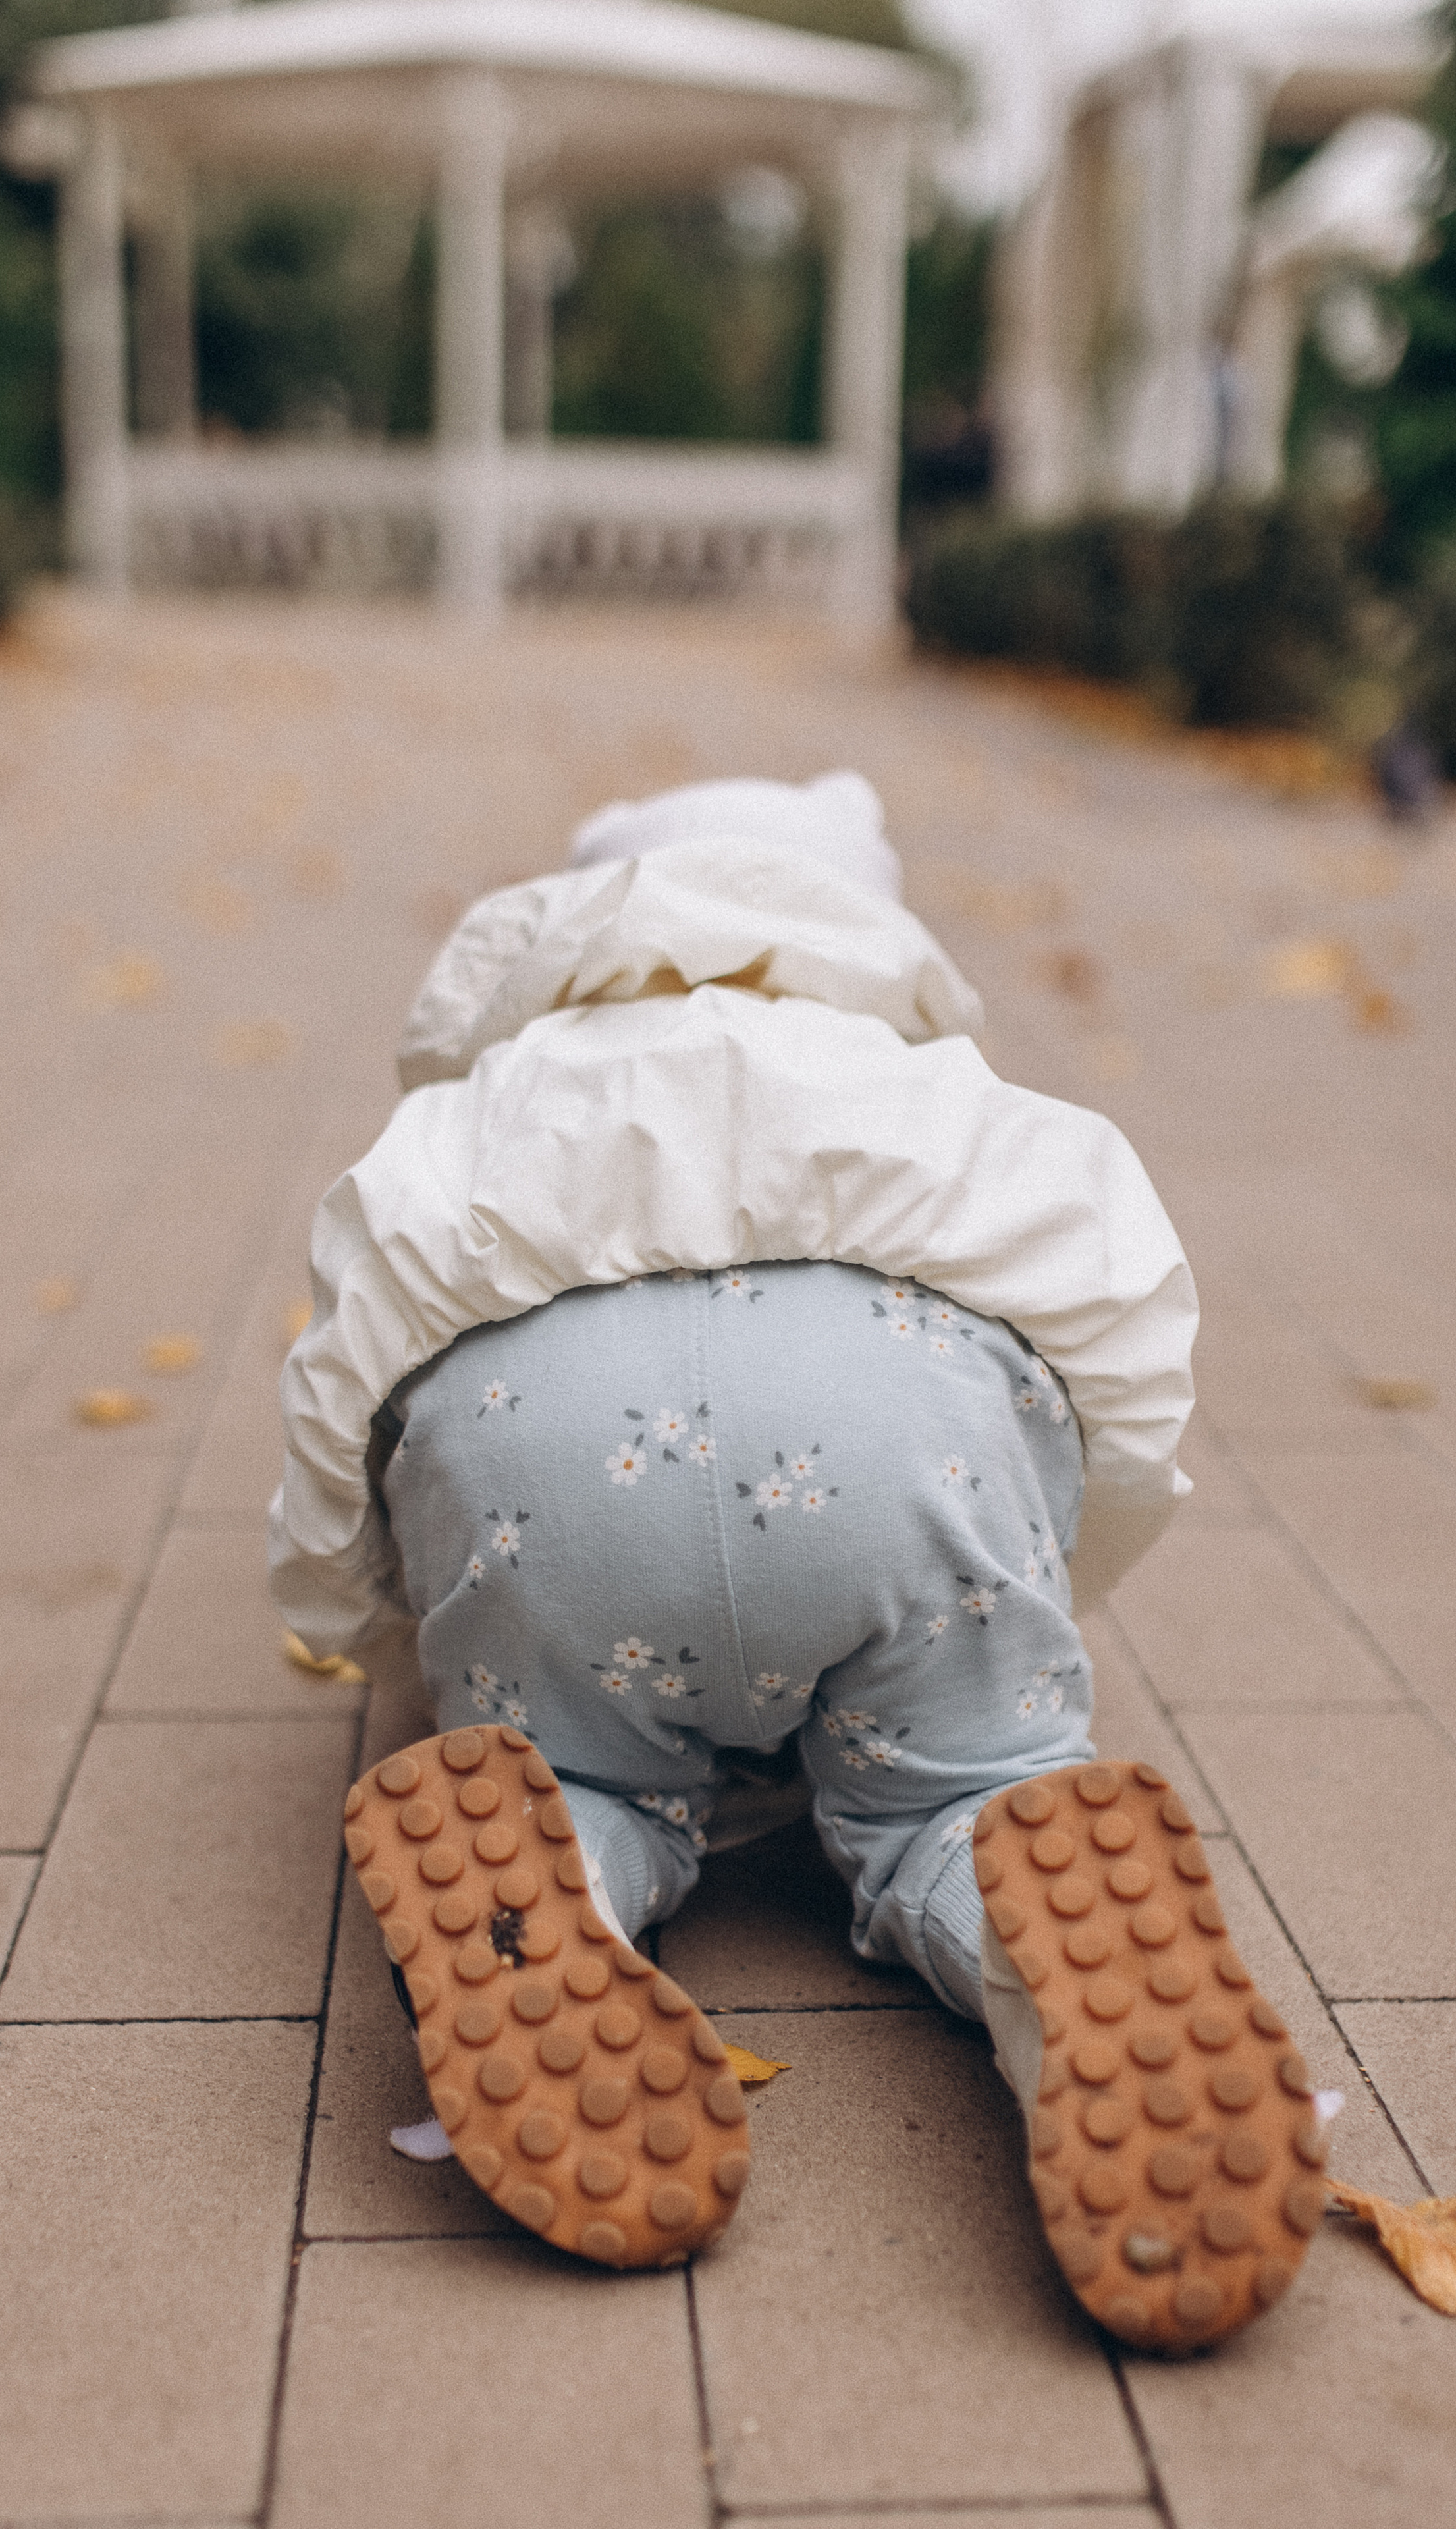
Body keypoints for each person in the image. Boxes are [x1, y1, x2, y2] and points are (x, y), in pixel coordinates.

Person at [273, 773, 1327, 2349]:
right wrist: (1052, 1547)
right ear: (863, 927)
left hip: (537, 1459)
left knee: (585, 1781)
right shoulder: (914, 1072)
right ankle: (1029, 1928)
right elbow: (1104, 1324)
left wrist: (371, 1600)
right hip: (899, 1435)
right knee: (951, 1801)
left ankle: (561, 1853)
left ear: (568, 939)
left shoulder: (498, 1091)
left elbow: (346, 1374)